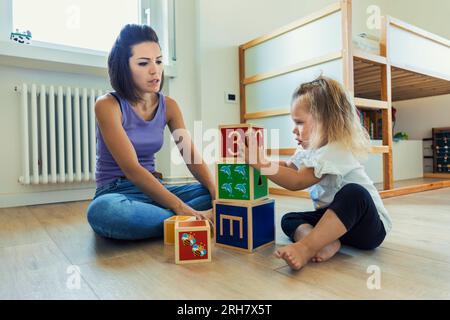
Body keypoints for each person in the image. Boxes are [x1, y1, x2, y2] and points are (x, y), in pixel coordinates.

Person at [242, 76, 392, 270]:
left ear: (327, 122)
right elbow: (290, 168)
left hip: (368, 228)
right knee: (289, 219)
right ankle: (325, 242)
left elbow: (296, 181)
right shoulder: (308, 150)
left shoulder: (335, 149)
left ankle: (306, 247)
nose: (294, 130)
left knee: (354, 193)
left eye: (300, 123)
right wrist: (261, 160)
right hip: (334, 225)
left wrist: (260, 163)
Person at [87, 24, 215, 240]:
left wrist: (216, 194)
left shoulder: (170, 106)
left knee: (209, 191)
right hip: (117, 193)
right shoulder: (107, 105)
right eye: (144, 63)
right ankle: (187, 219)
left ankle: (177, 220)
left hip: (155, 189)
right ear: (124, 67)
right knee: (105, 213)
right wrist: (181, 208)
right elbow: (132, 169)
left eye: (158, 61)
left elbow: (190, 156)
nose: (155, 70)